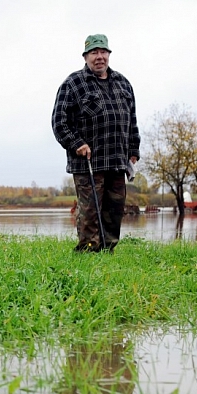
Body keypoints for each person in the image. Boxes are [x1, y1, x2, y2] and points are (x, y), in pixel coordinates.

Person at [52, 34, 140, 252]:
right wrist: (76, 143)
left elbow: (132, 121)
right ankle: (89, 252)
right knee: (90, 211)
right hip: (87, 161)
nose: (99, 57)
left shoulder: (123, 83)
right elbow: (59, 122)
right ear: (85, 56)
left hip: (117, 160)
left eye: (103, 52)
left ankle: (108, 250)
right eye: (94, 52)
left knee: (115, 209)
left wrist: (133, 150)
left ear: (109, 54)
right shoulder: (72, 84)